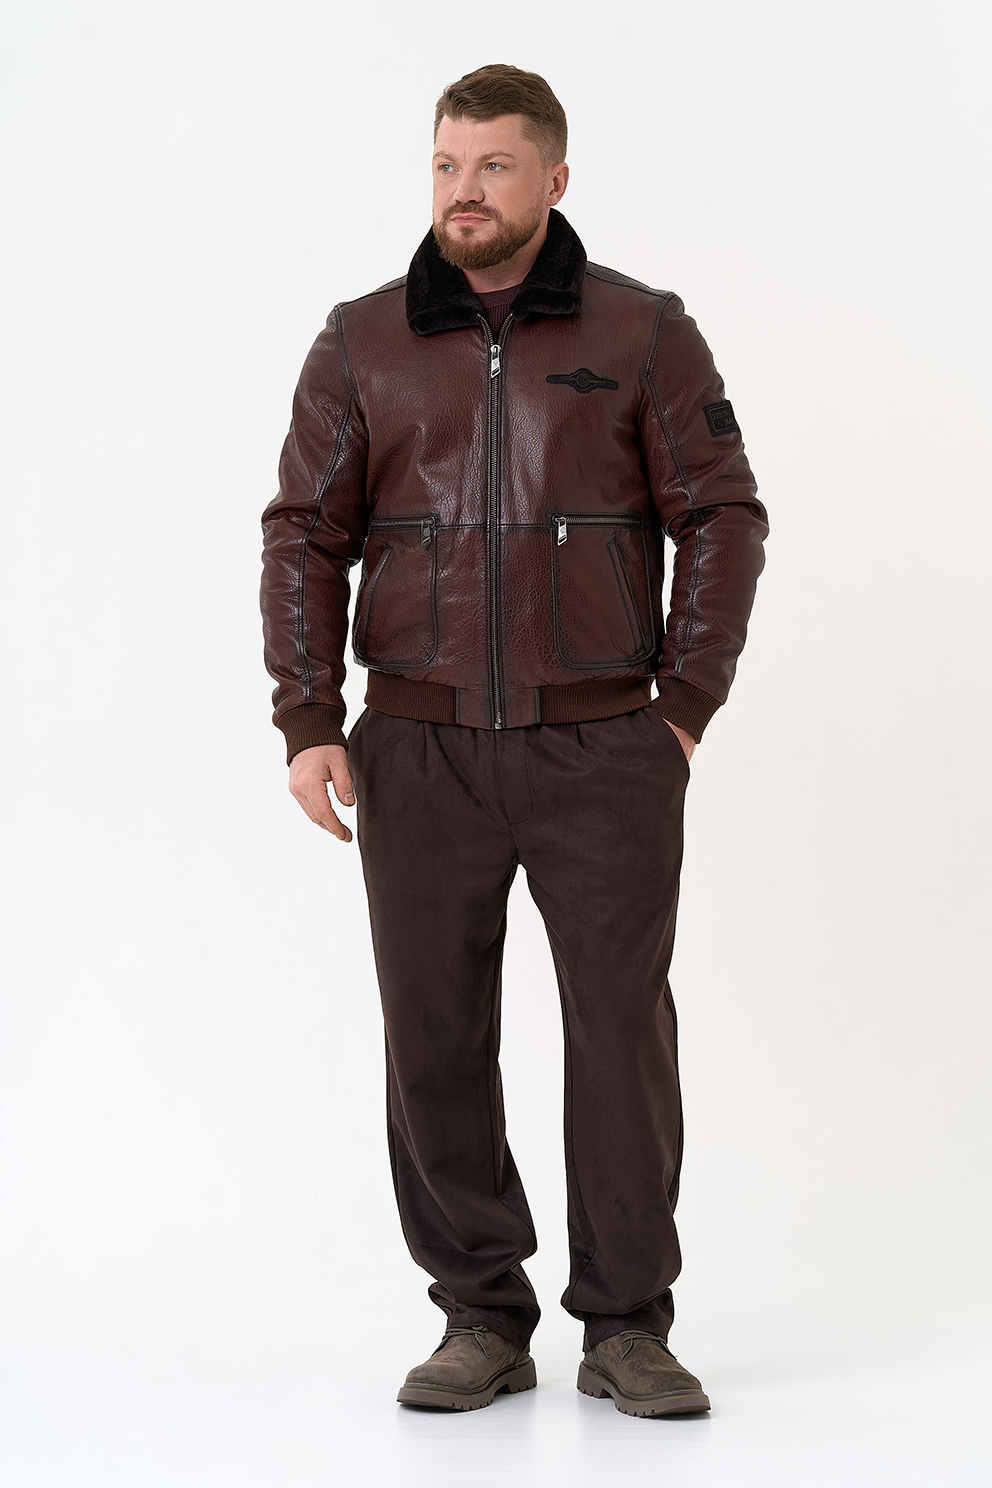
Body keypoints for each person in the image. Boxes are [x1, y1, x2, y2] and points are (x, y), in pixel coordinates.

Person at [259, 62, 768, 1417]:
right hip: (417, 746)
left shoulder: (644, 330)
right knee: (432, 1039)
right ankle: (479, 1313)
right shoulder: (362, 340)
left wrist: (684, 707)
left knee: (620, 1039)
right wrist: (309, 716)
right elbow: (304, 534)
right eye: (446, 164)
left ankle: (628, 1324)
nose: (463, 191)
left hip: (604, 748)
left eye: (492, 165)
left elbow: (723, 513)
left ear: (554, 177)